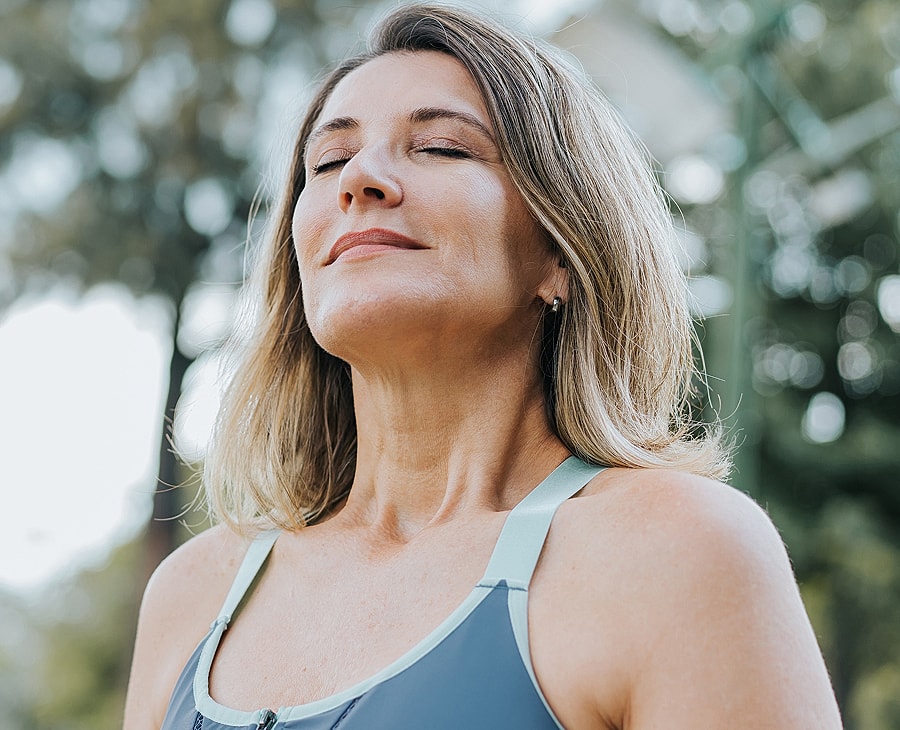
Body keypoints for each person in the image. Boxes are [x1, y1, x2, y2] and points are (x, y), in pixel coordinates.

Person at [124, 4, 843, 728]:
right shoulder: (193, 594)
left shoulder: (681, 554)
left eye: (439, 147)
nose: (360, 179)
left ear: (563, 249)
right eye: (329, 160)